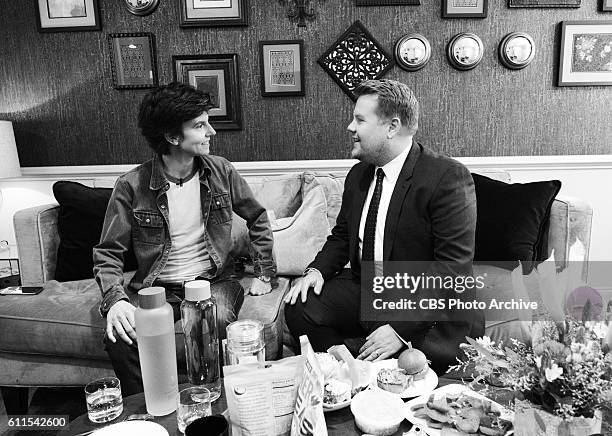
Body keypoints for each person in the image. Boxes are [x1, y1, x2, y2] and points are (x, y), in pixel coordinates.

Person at [284, 79, 483, 374]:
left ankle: (371, 353)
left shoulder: (447, 177)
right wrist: (316, 271)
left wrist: (400, 328)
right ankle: (350, 361)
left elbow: (452, 268)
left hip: (419, 295)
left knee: (430, 357)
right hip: (369, 287)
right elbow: (342, 236)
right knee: (298, 305)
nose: (350, 127)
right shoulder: (358, 176)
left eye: (360, 120)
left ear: (391, 127)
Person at [93, 82, 276, 395]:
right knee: (119, 336)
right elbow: (108, 251)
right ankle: (149, 412)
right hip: (156, 288)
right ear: (172, 136)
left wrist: (263, 273)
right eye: (200, 125)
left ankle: (210, 402)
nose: (211, 132)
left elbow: (257, 217)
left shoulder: (222, 171)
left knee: (213, 321)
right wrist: (115, 300)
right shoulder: (131, 185)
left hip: (213, 281)